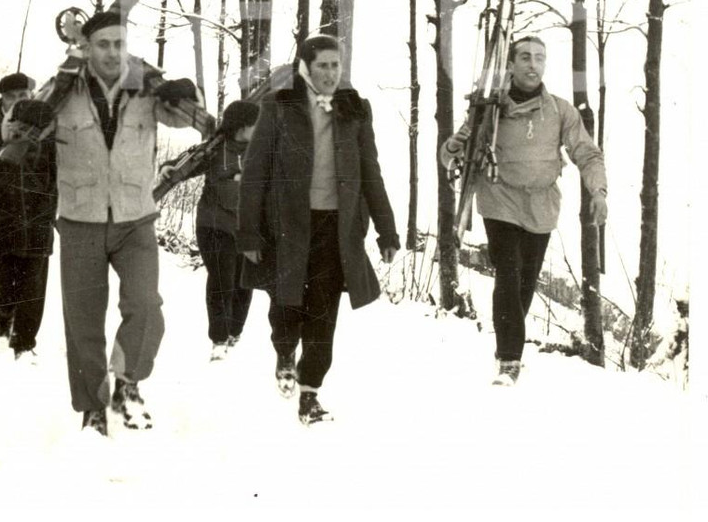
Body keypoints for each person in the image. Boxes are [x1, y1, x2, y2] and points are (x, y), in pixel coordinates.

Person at [11, 10, 200, 436]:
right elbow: (16, 130)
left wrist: (187, 92)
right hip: (80, 218)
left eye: (119, 44)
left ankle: (128, 381)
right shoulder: (64, 87)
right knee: (83, 320)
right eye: (103, 45)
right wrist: (28, 115)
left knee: (146, 305)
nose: (113, 53)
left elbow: (187, 118)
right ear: (87, 47)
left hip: (135, 216)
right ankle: (93, 408)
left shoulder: (145, 86)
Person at [237, 35, 400, 425]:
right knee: (286, 305)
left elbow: (370, 171)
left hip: (336, 228)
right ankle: (283, 351)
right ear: (305, 67)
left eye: (335, 66)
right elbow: (255, 173)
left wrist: (386, 230)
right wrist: (248, 233)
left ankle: (310, 393)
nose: (330, 73)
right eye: (323, 65)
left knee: (324, 312)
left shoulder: (355, 109)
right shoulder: (279, 105)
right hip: (287, 227)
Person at [441, 35, 608, 386]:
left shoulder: (560, 110)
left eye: (540, 58)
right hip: (498, 197)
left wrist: (599, 191)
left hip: (541, 205)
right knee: (508, 270)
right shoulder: (488, 108)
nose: (533, 64)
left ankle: (507, 345)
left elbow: (587, 153)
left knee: (525, 282)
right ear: (511, 65)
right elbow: (456, 153)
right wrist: (452, 148)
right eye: (526, 57)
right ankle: (509, 359)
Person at [0, 72, 57, 362]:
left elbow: (56, 179)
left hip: (37, 229)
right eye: (11, 97)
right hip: (0, 228)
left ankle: (24, 347)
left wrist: (44, 213)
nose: (17, 102)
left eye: (23, 96)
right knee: (1, 291)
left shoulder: (48, 133)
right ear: (1, 100)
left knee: (32, 293)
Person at [167, 100, 260, 361]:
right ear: (242, 126)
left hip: (245, 228)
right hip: (214, 224)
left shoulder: (259, 150)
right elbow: (187, 164)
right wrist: (170, 168)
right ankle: (219, 339)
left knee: (244, 281)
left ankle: (234, 333)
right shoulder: (216, 149)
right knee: (222, 278)